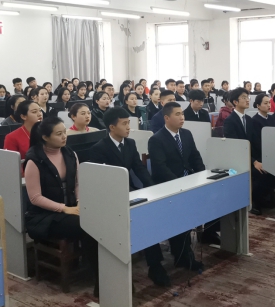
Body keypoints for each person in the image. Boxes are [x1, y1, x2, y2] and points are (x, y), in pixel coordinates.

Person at [89, 108, 171, 287]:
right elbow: (99, 181)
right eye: (124, 124)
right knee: (138, 219)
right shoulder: (99, 149)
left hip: (129, 192)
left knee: (147, 217)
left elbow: (139, 168)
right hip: (109, 198)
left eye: (129, 123)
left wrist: (152, 187)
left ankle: (155, 266)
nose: (128, 127)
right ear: (112, 127)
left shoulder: (130, 143)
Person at [23, 117, 99, 296]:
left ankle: (100, 271)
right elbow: (35, 198)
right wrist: (65, 208)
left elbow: (78, 184)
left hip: (70, 209)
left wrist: (79, 202)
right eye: (59, 134)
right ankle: (99, 279)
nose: (64, 136)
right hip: (44, 217)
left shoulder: (70, 153)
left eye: (64, 132)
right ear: (45, 137)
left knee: (99, 219)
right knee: (88, 226)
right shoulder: (34, 160)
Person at [148, 101, 217, 249]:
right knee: (183, 210)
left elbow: (195, 157)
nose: (182, 117)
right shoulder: (156, 139)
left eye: (183, 114)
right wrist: (180, 184)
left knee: (217, 197)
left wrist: (203, 176)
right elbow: (161, 168)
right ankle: (182, 249)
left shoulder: (186, 134)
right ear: (167, 118)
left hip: (188, 180)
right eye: (178, 114)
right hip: (169, 185)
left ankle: (208, 234)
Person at [249, 94, 275, 215]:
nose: (268, 105)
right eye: (265, 103)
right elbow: (256, 143)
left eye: (269, 103)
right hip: (259, 155)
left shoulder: (271, 118)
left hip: (272, 153)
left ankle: (267, 197)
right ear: (258, 106)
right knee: (262, 172)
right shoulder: (255, 120)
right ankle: (255, 201)